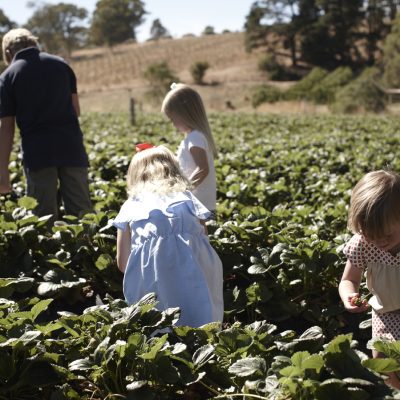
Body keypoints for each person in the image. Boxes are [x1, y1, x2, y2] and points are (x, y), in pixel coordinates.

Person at [112, 144, 223, 327]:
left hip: (154, 273)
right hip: (198, 268)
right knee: (201, 320)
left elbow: (123, 263)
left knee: (160, 324)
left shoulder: (130, 207)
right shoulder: (188, 198)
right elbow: (204, 238)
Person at [0, 28, 91, 220]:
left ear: (8, 53)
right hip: (71, 148)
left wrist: (2, 172)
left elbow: (7, 128)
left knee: (43, 220)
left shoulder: (8, 77)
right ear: (35, 44)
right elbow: (76, 111)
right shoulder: (61, 65)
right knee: (82, 215)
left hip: (38, 154)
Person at [339, 169, 400, 389]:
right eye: (371, 235)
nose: (379, 241)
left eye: (387, 235)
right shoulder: (363, 244)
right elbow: (348, 279)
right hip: (385, 312)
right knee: (383, 363)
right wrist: (349, 296)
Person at [161, 83, 217, 216]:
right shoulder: (194, 136)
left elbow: (203, 169)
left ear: (186, 114)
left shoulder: (195, 138)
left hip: (197, 206)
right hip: (200, 205)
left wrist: (184, 190)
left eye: (173, 118)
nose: (173, 123)